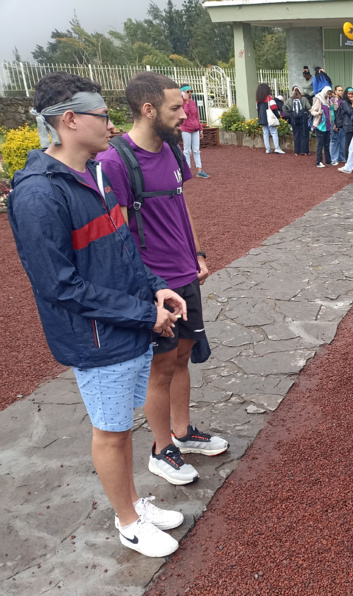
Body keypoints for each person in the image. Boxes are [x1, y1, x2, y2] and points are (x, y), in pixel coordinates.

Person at [9, 71, 187, 558]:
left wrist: (155, 288)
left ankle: (133, 503)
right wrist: (143, 313)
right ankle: (128, 521)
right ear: (70, 120)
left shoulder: (94, 172)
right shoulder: (38, 194)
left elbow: (122, 245)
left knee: (121, 427)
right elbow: (59, 286)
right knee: (110, 433)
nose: (112, 125)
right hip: (97, 338)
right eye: (103, 115)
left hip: (124, 326)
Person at [98, 71, 230, 487]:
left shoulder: (172, 149)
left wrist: (197, 254)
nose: (185, 114)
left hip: (185, 273)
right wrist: (148, 288)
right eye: (176, 107)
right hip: (154, 285)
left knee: (183, 356)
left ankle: (183, 432)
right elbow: (117, 234)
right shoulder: (115, 161)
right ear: (148, 109)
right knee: (160, 367)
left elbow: (180, 205)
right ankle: (161, 449)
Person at [179, 85, 209, 178]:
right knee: (187, 150)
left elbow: (196, 116)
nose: (190, 93)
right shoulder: (180, 103)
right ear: (182, 92)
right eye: (187, 91)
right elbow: (185, 114)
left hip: (195, 129)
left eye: (190, 91)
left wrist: (200, 129)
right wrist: (186, 102)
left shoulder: (193, 102)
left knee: (196, 150)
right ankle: (187, 170)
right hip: (186, 129)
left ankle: (199, 170)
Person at [255, 83, 285, 155]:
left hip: (262, 118)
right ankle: (277, 148)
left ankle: (268, 149)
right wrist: (278, 116)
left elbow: (257, 109)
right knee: (274, 132)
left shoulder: (258, 100)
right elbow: (274, 108)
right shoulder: (269, 98)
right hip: (270, 118)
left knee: (265, 133)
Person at [310, 85, 334, 167]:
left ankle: (328, 161)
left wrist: (334, 98)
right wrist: (318, 113)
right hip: (320, 125)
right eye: (328, 93)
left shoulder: (328, 101)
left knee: (327, 144)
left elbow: (335, 107)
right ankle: (319, 161)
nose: (328, 95)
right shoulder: (318, 99)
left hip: (327, 125)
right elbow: (312, 110)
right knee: (320, 144)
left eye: (330, 94)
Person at [289, 86, 312, 156]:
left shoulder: (290, 99)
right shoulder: (304, 98)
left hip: (294, 119)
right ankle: (305, 151)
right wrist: (308, 114)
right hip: (303, 118)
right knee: (304, 133)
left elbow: (284, 108)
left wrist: (291, 115)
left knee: (296, 134)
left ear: (293, 91)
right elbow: (309, 107)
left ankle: (297, 151)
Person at [336, 87, 353, 164]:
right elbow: (349, 112)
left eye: (352, 94)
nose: (350, 95)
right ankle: (348, 161)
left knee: (352, 144)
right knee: (348, 144)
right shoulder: (344, 102)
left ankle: (351, 161)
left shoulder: (352, 102)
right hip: (347, 125)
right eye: (349, 94)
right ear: (346, 94)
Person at [329, 86, 346, 163]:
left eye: (342, 90)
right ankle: (333, 158)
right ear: (335, 91)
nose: (341, 92)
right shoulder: (332, 101)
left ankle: (341, 157)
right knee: (334, 140)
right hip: (334, 122)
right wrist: (334, 124)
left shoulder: (343, 101)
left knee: (342, 141)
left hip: (342, 123)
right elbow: (332, 113)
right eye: (339, 90)